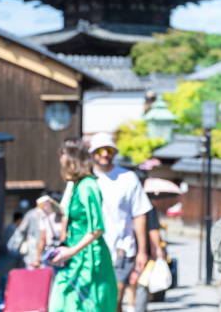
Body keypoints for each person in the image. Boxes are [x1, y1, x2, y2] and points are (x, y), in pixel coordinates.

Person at [48, 138, 117, 312]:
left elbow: (97, 229)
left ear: (71, 158)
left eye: (62, 155)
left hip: (89, 259)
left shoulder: (88, 186)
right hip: (75, 255)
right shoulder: (77, 186)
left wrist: (70, 251)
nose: (60, 160)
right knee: (61, 304)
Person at [89, 132, 151, 312]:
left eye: (108, 150)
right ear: (92, 153)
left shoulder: (128, 178)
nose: (104, 154)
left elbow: (140, 214)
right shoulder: (84, 179)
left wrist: (142, 251)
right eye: (99, 150)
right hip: (91, 250)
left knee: (115, 297)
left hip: (122, 249)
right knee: (97, 299)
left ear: (114, 152)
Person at [33, 195, 64, 268]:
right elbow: (42, 239)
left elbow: (42, 239)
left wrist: (37, 259)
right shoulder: (44, 218)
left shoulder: (61, 216)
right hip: (61, 250)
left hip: (53, 250)